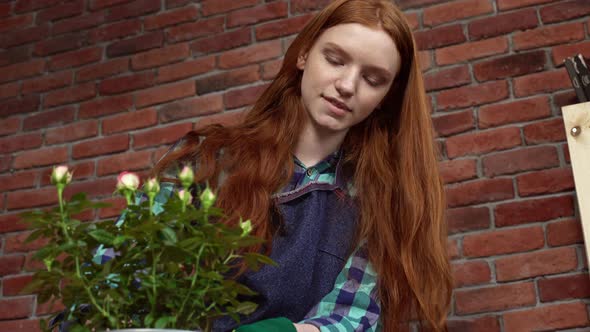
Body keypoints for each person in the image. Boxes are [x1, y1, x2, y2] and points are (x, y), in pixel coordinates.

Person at [150, 0, 453, 331]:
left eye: (373, 79)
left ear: (387, 96)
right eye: (335, 60)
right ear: (304, 54)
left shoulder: (379, 200)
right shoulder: (205, 160)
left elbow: (353, 315)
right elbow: (125, 268)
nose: (347, 86)